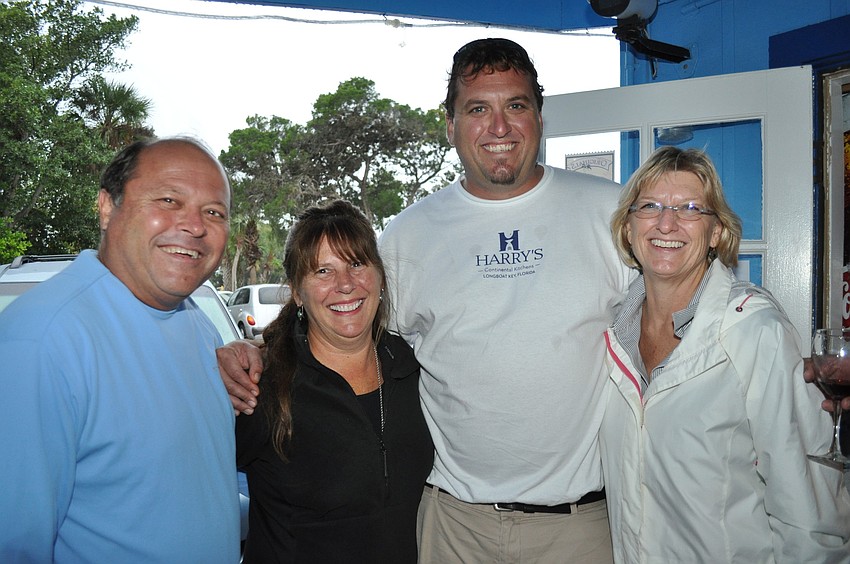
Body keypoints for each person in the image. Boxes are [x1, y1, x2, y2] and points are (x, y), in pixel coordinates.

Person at [375, 38, 631, 563]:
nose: (499, 127)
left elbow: (682, 331)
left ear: (539, 116)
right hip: (454, 527)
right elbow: (350, 344)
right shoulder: (407, 236)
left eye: (515, 105)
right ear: (450, 126)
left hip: (579, 528)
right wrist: (264, 357)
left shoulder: (611, 214)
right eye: (477, 109)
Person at [602, 146, 850, 562]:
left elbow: (809, 513)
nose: (667, 222)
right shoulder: (611, 336)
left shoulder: (756, 330)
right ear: (628, 227)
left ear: (716, 233)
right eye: (650, 206)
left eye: (691, 208)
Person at [0, 137, 241, 562]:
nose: (195, 225)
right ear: (107, 207)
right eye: (169, 200)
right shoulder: (40, 342)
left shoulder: (199, 326)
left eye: (214, 212)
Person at [235, 200, 433, 562]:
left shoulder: (413, 367)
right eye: (323, 271)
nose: (345, 284)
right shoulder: (262, 386)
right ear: (297, 291)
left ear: (380, 277)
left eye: (357, 264)